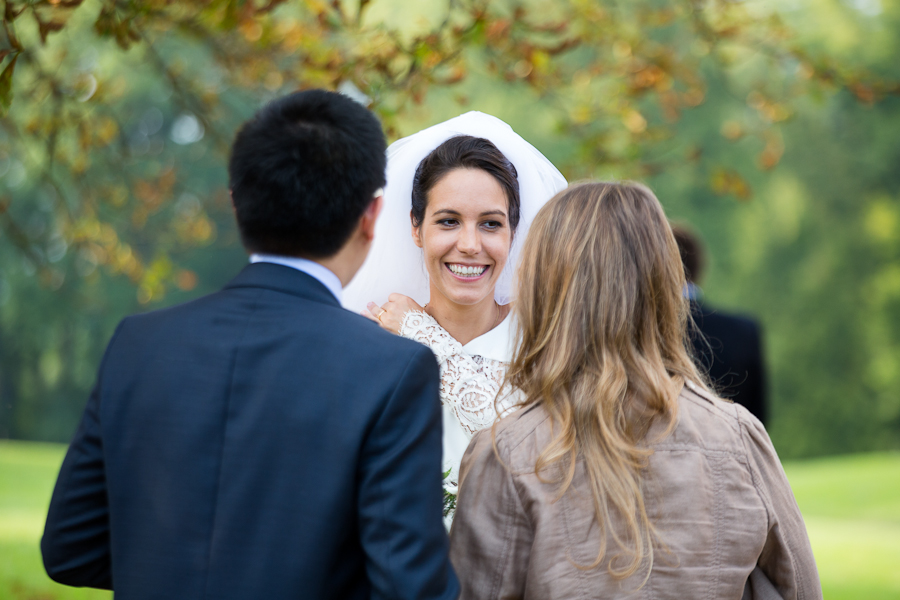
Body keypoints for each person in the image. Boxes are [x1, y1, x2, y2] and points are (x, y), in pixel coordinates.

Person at [41, 90, 459, 600]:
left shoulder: (139, 345)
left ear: (237, 202)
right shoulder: (392, 368)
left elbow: (70, 548)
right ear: (371, 215)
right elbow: (409, 588)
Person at [451, 182, 821, 599]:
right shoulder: (739, 438)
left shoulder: (506, 452)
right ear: (664, 284)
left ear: (544, 286)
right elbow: (797, 589)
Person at [342, 112, 567, 505]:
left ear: (514, 232)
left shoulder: (548, 340)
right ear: (416, 227)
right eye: (448, 221)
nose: (469, 244)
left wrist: (424, 337)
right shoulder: (373, 346)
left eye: (491, 224)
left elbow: (545, 461)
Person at [673, 225, 768, 424]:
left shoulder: (641, 334)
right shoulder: (744, 331)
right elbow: (758, 417)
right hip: (733, 449)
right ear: (700, 267)